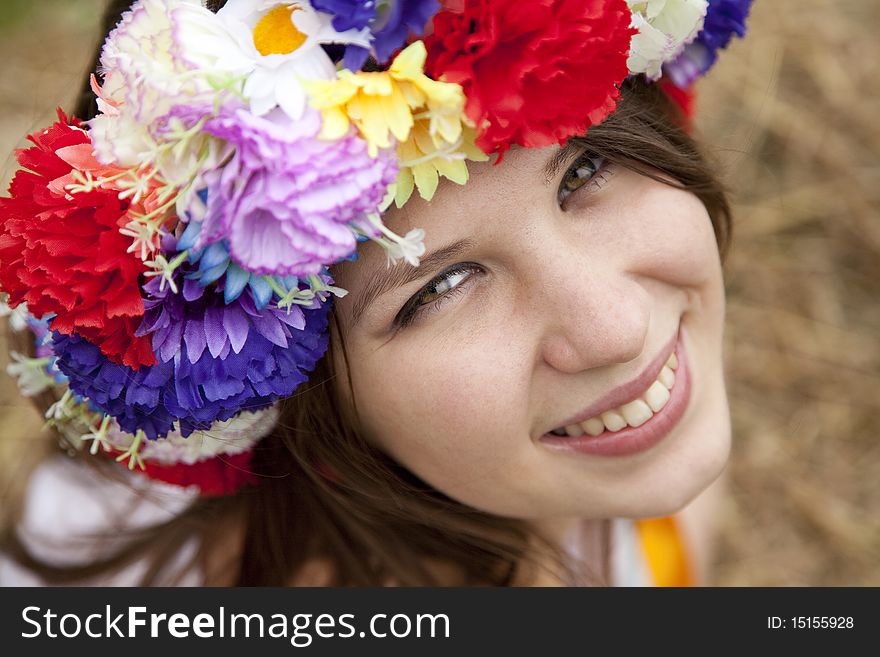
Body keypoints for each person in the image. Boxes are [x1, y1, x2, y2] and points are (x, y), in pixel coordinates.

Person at [0, 0, 751, 586]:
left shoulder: (615, 455)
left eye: (585, 172)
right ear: (303, 399)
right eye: (442, 286)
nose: (617, 328)